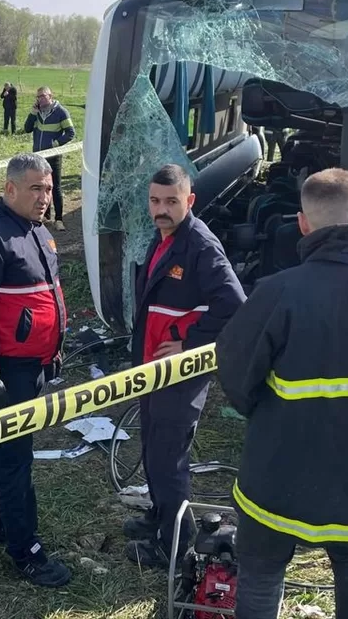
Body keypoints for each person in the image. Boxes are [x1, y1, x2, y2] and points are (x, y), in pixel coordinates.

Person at [214, 168, 348, 619]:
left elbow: (235, 377)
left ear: (302, 224)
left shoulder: (277, 293)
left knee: (261, 571)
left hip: (277, 479)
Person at [0, 153, 71, 588]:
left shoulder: (37, 230)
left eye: (49, 188)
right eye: (36, 188)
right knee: (13, 459)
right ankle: (27, 552)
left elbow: (45, 296)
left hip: (34, 363)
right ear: (10, 189)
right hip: (6, 369)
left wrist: (53, 348)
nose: (45, 197)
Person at [123, 164, 246, 568]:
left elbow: (235, 305)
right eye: (155, 201)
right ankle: (160, 516)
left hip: (179, 372)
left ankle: (174, 547)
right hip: (153, 367)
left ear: (190, 200)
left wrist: (188, 344)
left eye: (171, 201)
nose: (161, 209)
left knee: (168, 458)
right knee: (152, 447)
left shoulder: (201, 246)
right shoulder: (163, 237)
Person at [24, 86, 75, 232]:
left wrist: (55, 144)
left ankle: (59, 219)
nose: (39, 99)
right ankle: (45, 216)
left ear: (50, 96)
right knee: (41, 186)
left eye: (42, 96)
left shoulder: (61, 112)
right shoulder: (37, 113)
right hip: (39, 156)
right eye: (38, 97)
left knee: (55, 187)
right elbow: (27, 128)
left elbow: (70, 132)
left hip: (53, 156)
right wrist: (33, 113)